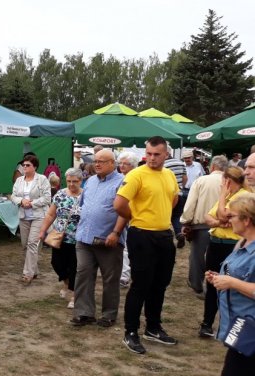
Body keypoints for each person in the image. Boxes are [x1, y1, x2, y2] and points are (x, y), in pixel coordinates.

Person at [115, 136, 180, 355]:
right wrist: (137, 218)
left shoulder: (169, 174)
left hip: (163, 235)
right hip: (141, 235)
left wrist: (160, 215)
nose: (151, 158)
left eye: (156, 154)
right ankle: (130, 331)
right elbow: (119, 204)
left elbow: (173, 199)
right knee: (140, 284)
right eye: (149, 154)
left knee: (160, 283)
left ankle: (153, 327)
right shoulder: (136, 174)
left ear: (166, 155)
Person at [70, 150, 127, 327]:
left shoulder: (122, 182)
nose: (97, 164)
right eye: (95, 161)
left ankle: (109, 315)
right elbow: (83, 205)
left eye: (102, 161)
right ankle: (84, 313)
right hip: (84, 237)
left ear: (113, 163)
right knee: (83, 274)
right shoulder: (91, 181)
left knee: (110, 278)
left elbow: (125, 211)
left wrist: (116, 233)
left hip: (107, 239)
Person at [198, 167, 250, 338]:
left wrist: (221, 196)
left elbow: (223, 214)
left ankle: (230, 325)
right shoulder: (228, 196)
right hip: (216, 243)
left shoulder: (242, 197)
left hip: (232, 245)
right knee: (212, 281)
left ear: (228, 181)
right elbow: (208, 217)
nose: (221, 185)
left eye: (223, 182)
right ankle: (207, 323)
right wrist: (219, 223)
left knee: (230, 285)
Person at [207, 193, 255, 374]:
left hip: (250, 330)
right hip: (240, 329)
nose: (228, 220)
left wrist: (231, 282)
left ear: (247, 220)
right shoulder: (242, 243)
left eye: (232, 216)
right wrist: (219, 278)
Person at [180, 155, 226, 296]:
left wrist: (185, 221)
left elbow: (190, 204)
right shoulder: (231, 182)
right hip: (224, 225)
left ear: (212, 166)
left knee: (197, 256)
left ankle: (197, 284)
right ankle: (217, 285)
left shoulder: (201, 181)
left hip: (201, 225)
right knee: (220, 257)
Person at [38, 168, 83, 309]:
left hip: (78, 238)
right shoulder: (60, 194)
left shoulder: (86, 195)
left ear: (80, 181)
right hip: (59, 236)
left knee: (75, 267)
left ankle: (75, 295)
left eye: (74, 182)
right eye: (69, 181)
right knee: (57, 263)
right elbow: (51, 214)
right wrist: (43, 230)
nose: (71, 184)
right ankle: (67, 283)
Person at [11, 154, 52, 284]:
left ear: (35, 166)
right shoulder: (19, 181)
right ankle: (34, 271)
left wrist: (32, 203)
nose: (25, 167)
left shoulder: (42, 179)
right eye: (23, 165)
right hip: (24, 216)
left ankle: (27, 274)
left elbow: (47, 198)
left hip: (38, 216)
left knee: (32, 244)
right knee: (25, 245)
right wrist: (21, 200)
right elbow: (13, 196)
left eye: (28, 165)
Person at [117, 151, 140, 289]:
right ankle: (123, 274)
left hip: (133, 217)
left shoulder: (135, 177)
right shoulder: (120, 178)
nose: (122, 166)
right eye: (120, 163)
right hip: (122, 216)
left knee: (127, 248)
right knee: (124, 247)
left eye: (125, 164)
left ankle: (125, 276)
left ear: (132, 165)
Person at [164, 149, 188, 248]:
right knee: (177, 216)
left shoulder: (163, 165)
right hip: (180, 194)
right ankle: (179, 233)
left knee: (165, 216)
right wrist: (180, 187)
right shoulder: (181, 163)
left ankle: (166, 238)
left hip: (167, 195)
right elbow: (185, 178)